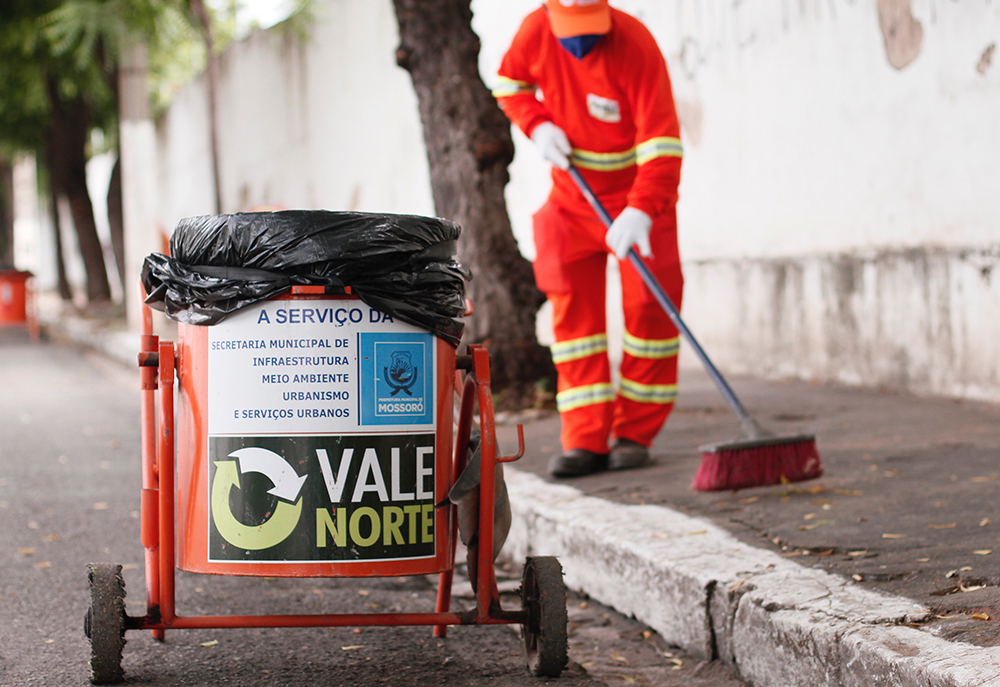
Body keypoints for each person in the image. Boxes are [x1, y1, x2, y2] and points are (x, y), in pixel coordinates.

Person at [492, 0, 685, 477]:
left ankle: (634, 435)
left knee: (649, 312)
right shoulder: (535, 30)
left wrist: (640, 210)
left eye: (590, 29)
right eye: (570, 30)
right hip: (572, 198)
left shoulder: (635, 44)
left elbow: (663, 144)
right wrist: (537, 125)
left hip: (638, 200)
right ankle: (584, 439)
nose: (580, 42)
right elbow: (509, 85)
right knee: (574, 324)